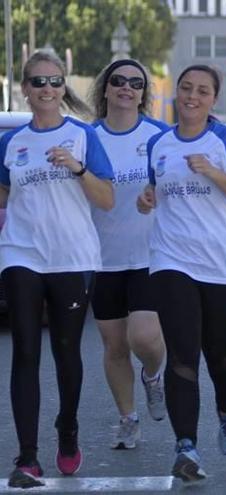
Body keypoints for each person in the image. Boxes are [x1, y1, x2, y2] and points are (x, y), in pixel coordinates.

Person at [136, 64, 226, 481]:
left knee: (219, 355)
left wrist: (213, 172)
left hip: (222, 265)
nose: (192, 96)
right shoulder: (159, 143)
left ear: (214, 99)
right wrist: (148, 198)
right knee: (183, 356)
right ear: (176, 93)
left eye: (202, 91)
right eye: (186, 88)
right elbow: (156, 190)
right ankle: (185, 447)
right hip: (172, 259)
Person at [0, 51, 114, 488]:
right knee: (25, 351)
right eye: (38, 82)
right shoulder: (12, 144)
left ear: (63, 87)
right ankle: (27, 456)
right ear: (25, 90)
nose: (47, 88)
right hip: (21, 254)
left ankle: (67, 433)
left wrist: (78, 169)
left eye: (54, 81)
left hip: (72, 257)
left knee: (66, 351)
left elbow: (105, 199)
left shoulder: (83, 137)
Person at [88, 58, 169, 450]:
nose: (126, 88)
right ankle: (128, 418)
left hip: (150, 255)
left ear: (143, 94)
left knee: (145, 338)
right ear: (105, 89)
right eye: (118, 81)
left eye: (135, 83)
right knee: (115, 347)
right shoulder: (86, 138)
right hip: (102, 259)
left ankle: (153, 376)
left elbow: (183, 182)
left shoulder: (159, 136)